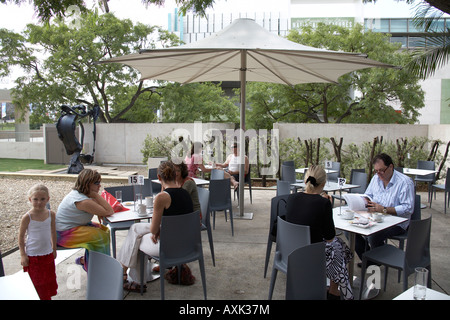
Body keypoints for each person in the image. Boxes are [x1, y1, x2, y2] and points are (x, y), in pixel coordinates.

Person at [117, 161, 194, 292]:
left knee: (137, 237)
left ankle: (132, 278)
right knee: (136, 230)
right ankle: (128, 275)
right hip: (187, 246)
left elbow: (153, 229)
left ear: (159, 177)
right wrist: (159, 229)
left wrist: (157, 230)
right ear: (175, 175)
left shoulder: (162, 197)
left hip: (168, 248)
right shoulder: (186, 193)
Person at [285, 165, 354, 300]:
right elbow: (330, 237)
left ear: (305, 181)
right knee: (339, 247)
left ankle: (334, 289)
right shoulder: (323, 204)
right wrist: (327, 205)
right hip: (312, 255)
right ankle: (336, 290)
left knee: (340, 247)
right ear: (323, 184)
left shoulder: (291, 198)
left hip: (292, 252)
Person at [355, 153, 415, 262]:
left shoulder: (405, 182)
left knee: (374, 235)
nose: (379, 174)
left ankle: (373, 260)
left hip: (397, 222)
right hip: (375, 217)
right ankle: (369, 259)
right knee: (351, 231)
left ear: (391, 167)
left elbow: (408, 208)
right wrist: (365, 202)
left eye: (381, 170)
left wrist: (384, 209)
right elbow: (368, 195)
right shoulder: (376, 178)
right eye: (376, 171)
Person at [56, 169, 113, 272]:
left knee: (104, 230)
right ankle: (99, 270)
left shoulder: (81, 194)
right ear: (87, 184)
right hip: (63, 234)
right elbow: (109, 211)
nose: (99, 186)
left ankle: (89, 261)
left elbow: (103, 209)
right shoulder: (82, 201)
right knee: (100, 237)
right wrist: (96, 195)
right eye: (96, 183)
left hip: (73, 226)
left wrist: (100, 210)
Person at [18, 184, 58, 300]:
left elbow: (53, 232)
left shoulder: (51, 214)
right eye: (35, 199)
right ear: (30, 199)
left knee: (48, 281)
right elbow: (21, 237)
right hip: (33, 256)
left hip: (47, 253)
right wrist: (22, 255)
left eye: (42, 199)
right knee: (35, 283)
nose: (39, 202)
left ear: (48, 199)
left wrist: (54, 249)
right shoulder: (27, 217)